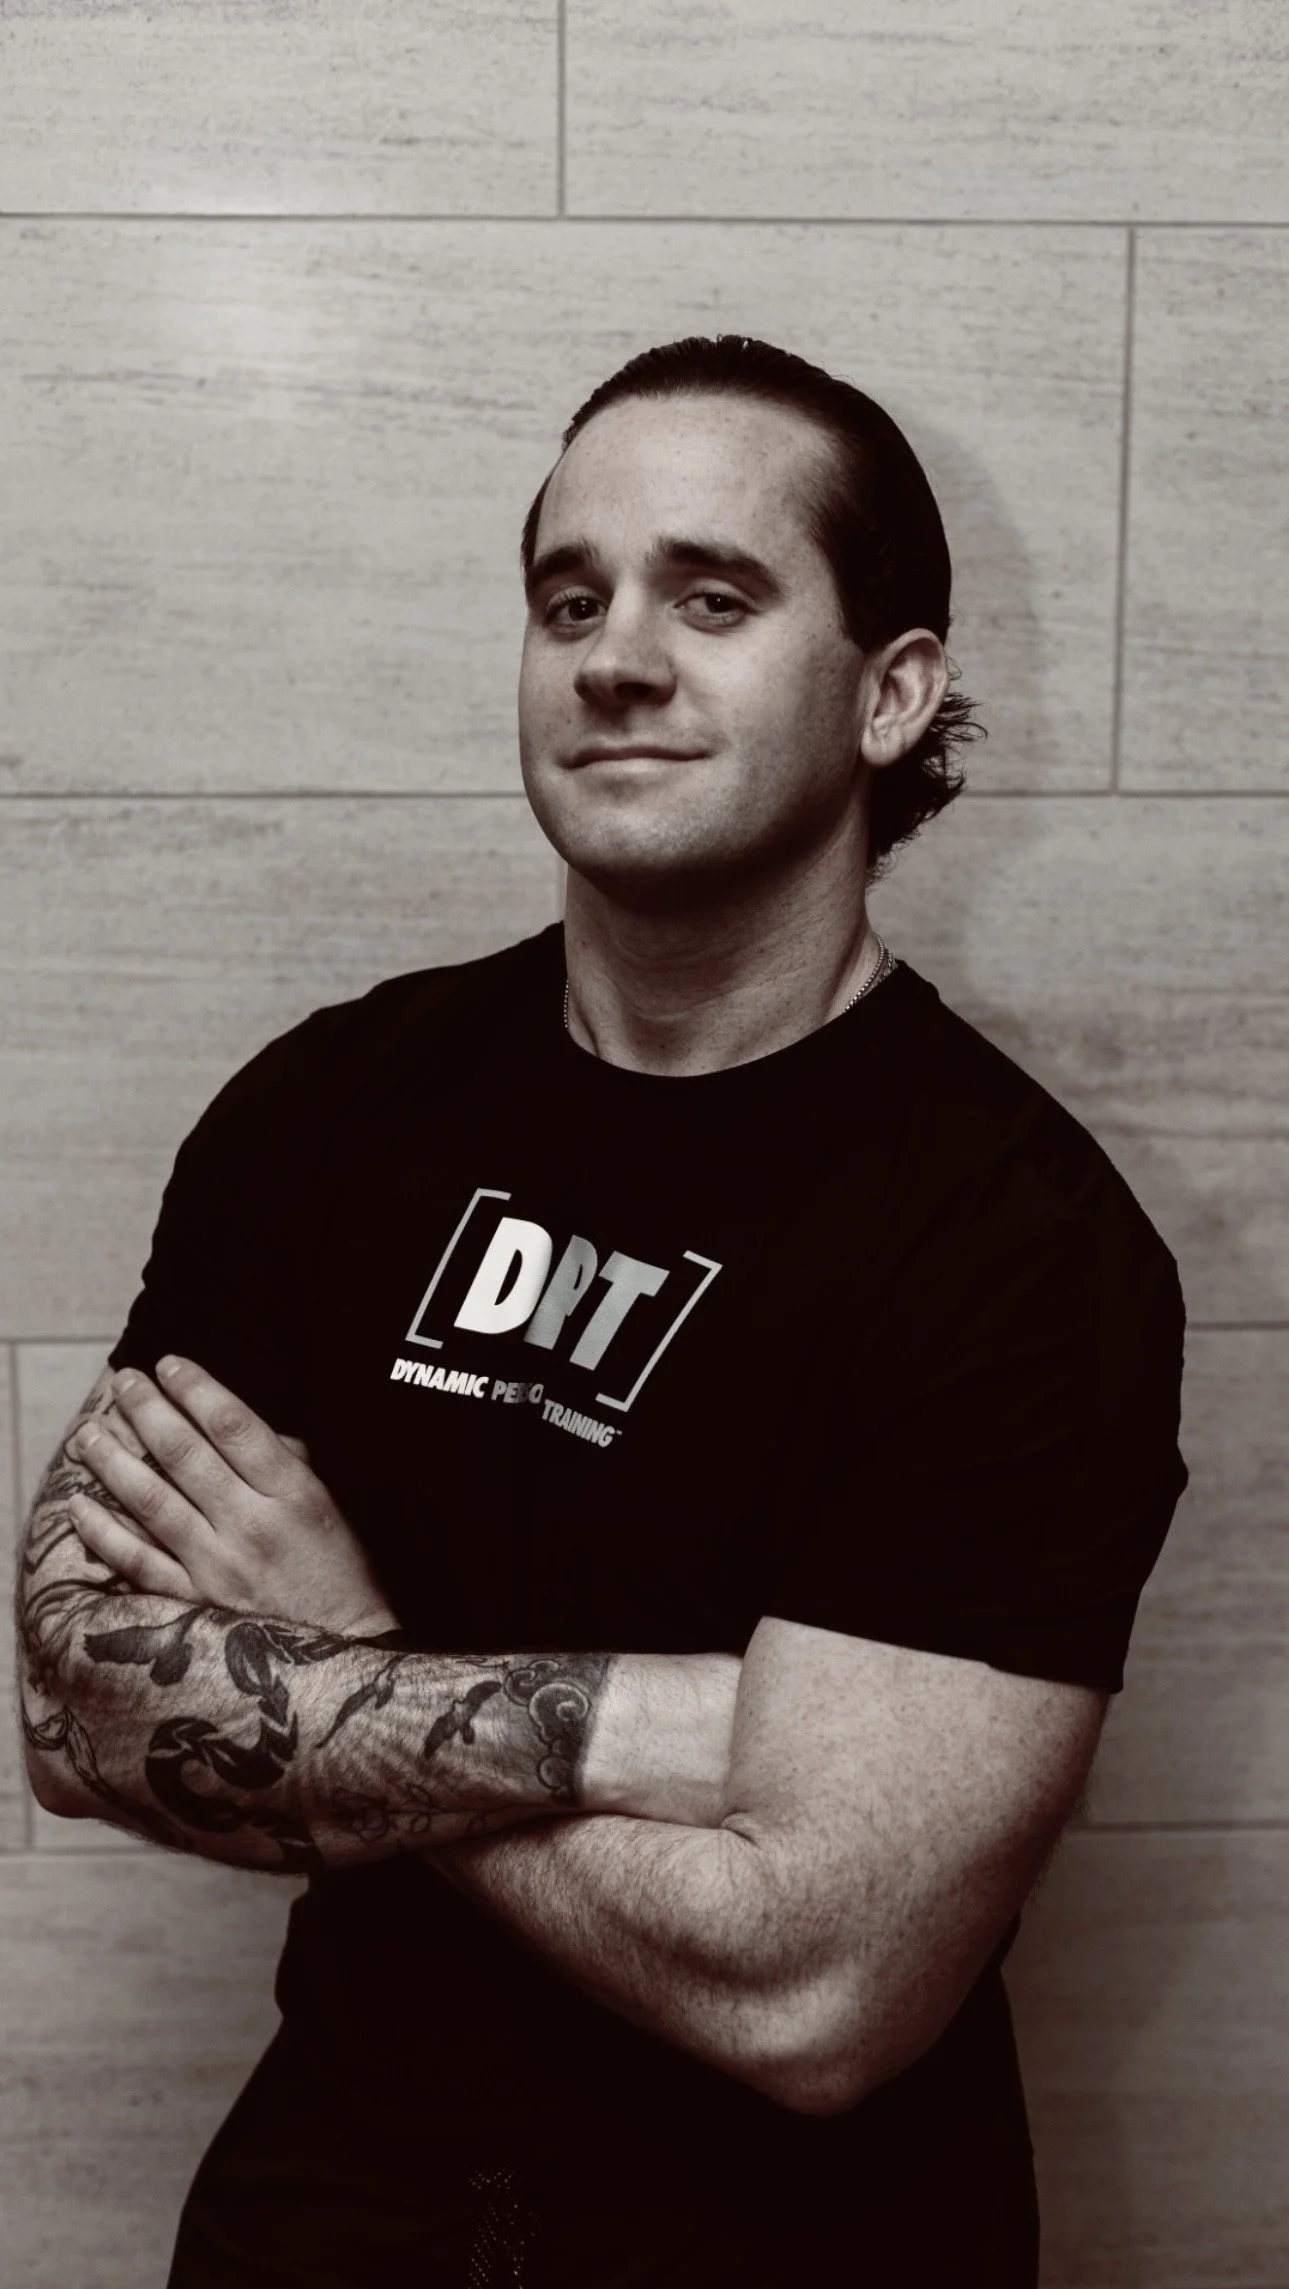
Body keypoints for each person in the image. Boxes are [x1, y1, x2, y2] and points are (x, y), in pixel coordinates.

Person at [17, 334, 1188, 2287]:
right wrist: (702, 1731)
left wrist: (349, 1655)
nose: (614, 657)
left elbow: (817, 1991)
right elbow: (82, 1702)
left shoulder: (1019, 1250)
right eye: (570, 598)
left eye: (711, 598)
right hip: (330, 2215)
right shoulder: (329, 1110)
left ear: (890, 693)